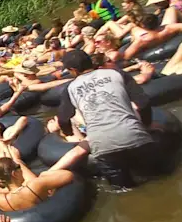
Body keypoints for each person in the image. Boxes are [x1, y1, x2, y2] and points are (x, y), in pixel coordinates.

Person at [55, 49, 156, 188]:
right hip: (134, 135)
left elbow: (63, 119)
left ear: (72, 70)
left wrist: (68, 133)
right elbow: (143, 103)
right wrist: (147, 125)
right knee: (157, 178)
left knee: (123, 189)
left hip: (102, 144)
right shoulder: (117, 74)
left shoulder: (70, 88)